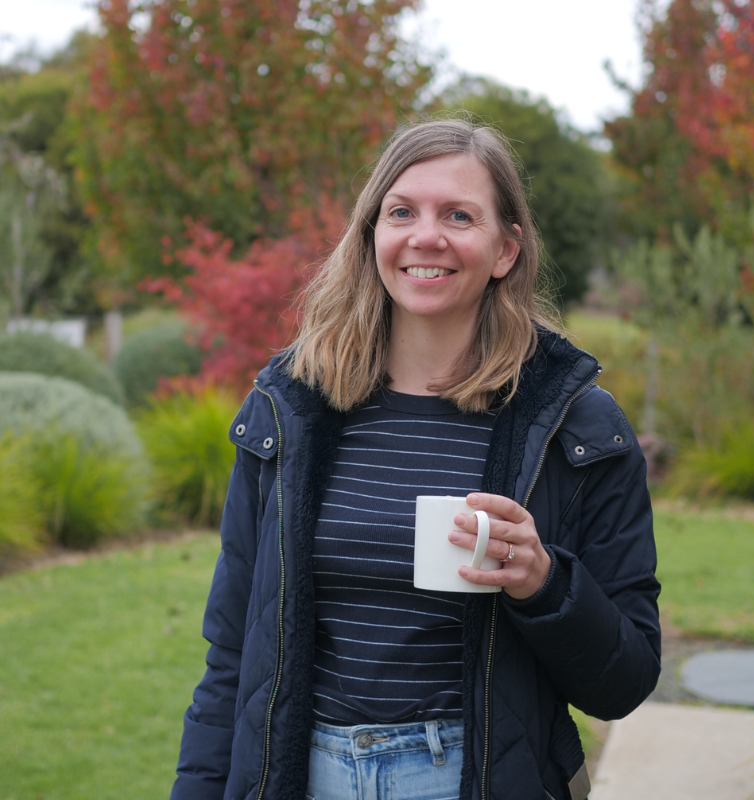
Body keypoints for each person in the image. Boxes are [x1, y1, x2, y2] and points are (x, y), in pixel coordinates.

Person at [170, 117, 660, 800]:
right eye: (402, 212)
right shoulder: (292, 408)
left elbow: (626, 680)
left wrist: (543, 581)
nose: (425, 236)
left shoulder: (577, 426)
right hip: (300, 776)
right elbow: (232, 659)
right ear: (374, 235)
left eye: (459, 215)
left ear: (505, 250)